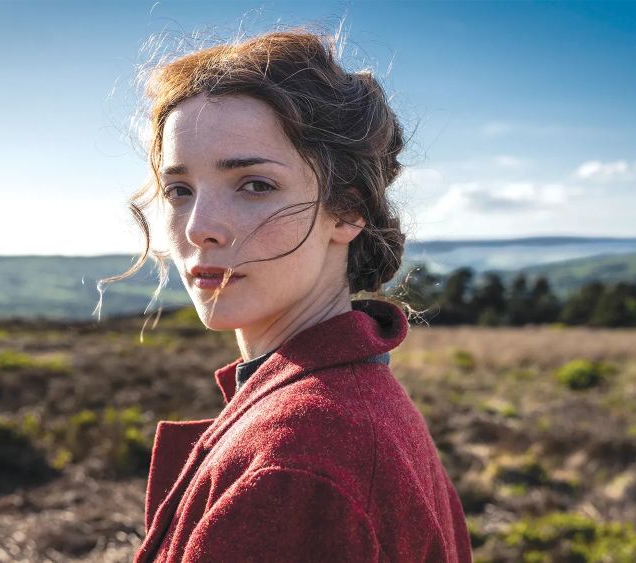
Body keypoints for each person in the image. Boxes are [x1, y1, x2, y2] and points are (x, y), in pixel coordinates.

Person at [115, 26, 473, 563]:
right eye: (179, 190)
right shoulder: (353, 402)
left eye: (255, 185)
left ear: (348, 209)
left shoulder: (297, 465)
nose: (198, 228)